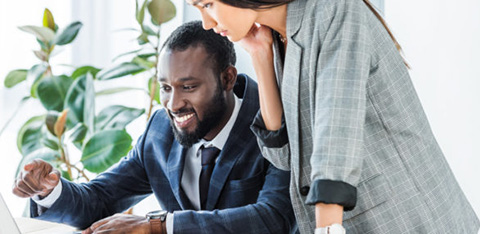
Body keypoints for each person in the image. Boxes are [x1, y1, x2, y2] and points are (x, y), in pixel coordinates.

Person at [187, 0, 480, 233]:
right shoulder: (280, 36)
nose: (206, 22)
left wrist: (327, 228)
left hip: (404, 218)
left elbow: (336, 136)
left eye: (208, 4)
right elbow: (285, 158)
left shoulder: (335, 10)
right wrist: (261, 55)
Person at [12, 21, 297, 234]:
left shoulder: (274, 124)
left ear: (227, 79)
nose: (173, 104)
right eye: (165, 87)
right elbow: (101, 199)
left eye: (188, 87)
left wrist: (157, 226)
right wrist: (50, 191)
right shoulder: (160, 130)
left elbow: (272, 219)